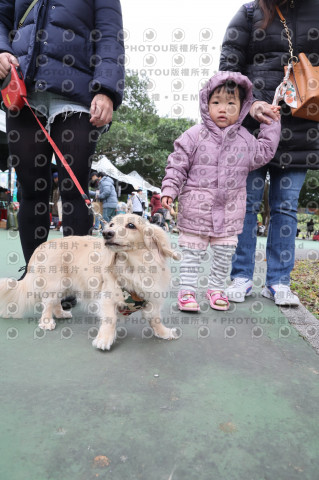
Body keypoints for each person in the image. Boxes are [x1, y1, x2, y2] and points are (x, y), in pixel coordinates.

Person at [0, 1, 124, 278]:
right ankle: (36, 274)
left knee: (74, 189)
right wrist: (2, 50)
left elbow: (109, 34)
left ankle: (71, 277)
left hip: (79, 95)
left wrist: (106, 89)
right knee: (31, 188)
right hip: (23, 90)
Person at [219, 0, 319, 306]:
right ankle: (242, 276)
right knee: (246, 204)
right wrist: (250, 104)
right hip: (252, 128)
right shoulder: (250, 13)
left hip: (301, 127)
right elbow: (227, 73)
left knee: (286, 206)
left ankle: (278, 281)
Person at [161, 72, 280, 312]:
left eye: (230, 103)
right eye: (216, 103)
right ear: (206, 104)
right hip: (196, 207)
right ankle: (187, 291)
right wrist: (169, 189)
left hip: (230, 211)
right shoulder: (194, 135)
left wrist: (272, 123)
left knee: (225, 253)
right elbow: (177, 164)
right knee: (192, 253)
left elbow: (265, 151)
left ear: (243, 108)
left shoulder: (246, 140)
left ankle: (215, 288)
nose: (222, 109)